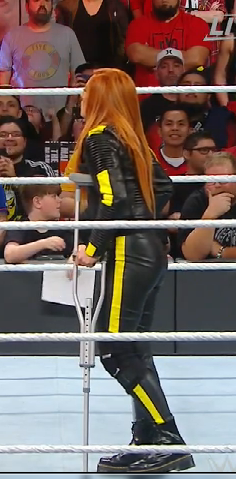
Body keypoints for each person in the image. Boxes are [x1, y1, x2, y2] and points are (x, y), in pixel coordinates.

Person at [67, 68, 194, 473]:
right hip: (149, 248)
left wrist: (91, 249)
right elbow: (164, 188)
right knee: (135, 347)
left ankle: (169, 438)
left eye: (87, 91)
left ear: (99, 97)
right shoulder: (134, 139)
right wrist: (149, 224)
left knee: (115, 348)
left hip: (128, 250)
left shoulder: (100, 137)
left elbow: (114, 200)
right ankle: (147, 439)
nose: (81, 98)